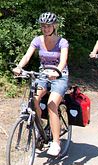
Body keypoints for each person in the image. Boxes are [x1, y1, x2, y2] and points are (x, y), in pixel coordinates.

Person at [12, 12, 69, 157]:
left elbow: (63, 61)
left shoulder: (62, 42)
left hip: (59, 76)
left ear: (54, 26)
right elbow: (27, 55)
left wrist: (57, 71)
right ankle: (39, 128)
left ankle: (56, 142)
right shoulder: (37, 40)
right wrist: (19, 67)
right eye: (43, 26)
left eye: (48, 26)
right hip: (43, 75)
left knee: (51, 105)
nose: (46, 29)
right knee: (34, 100)